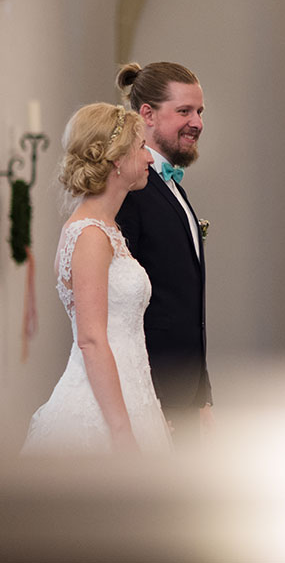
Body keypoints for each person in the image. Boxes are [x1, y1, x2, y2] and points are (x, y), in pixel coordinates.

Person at [23, 103, 172, 454]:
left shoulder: (108, 230)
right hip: (100, 409)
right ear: (117, 159)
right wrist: (120, 430)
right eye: (140, 147)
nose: (149, 158)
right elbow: (91, 339)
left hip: (132, 389)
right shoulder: (89, 235)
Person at [115, 61, 212, 446]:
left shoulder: (173, 188)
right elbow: (124, 305)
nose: (197, 123)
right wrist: (148, 402)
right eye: (184, 111)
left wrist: (202, 396)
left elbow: (186, 309)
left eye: (200, 112)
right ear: (148, 115)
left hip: (185, 394)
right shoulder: (131, 193)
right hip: (156, 395)